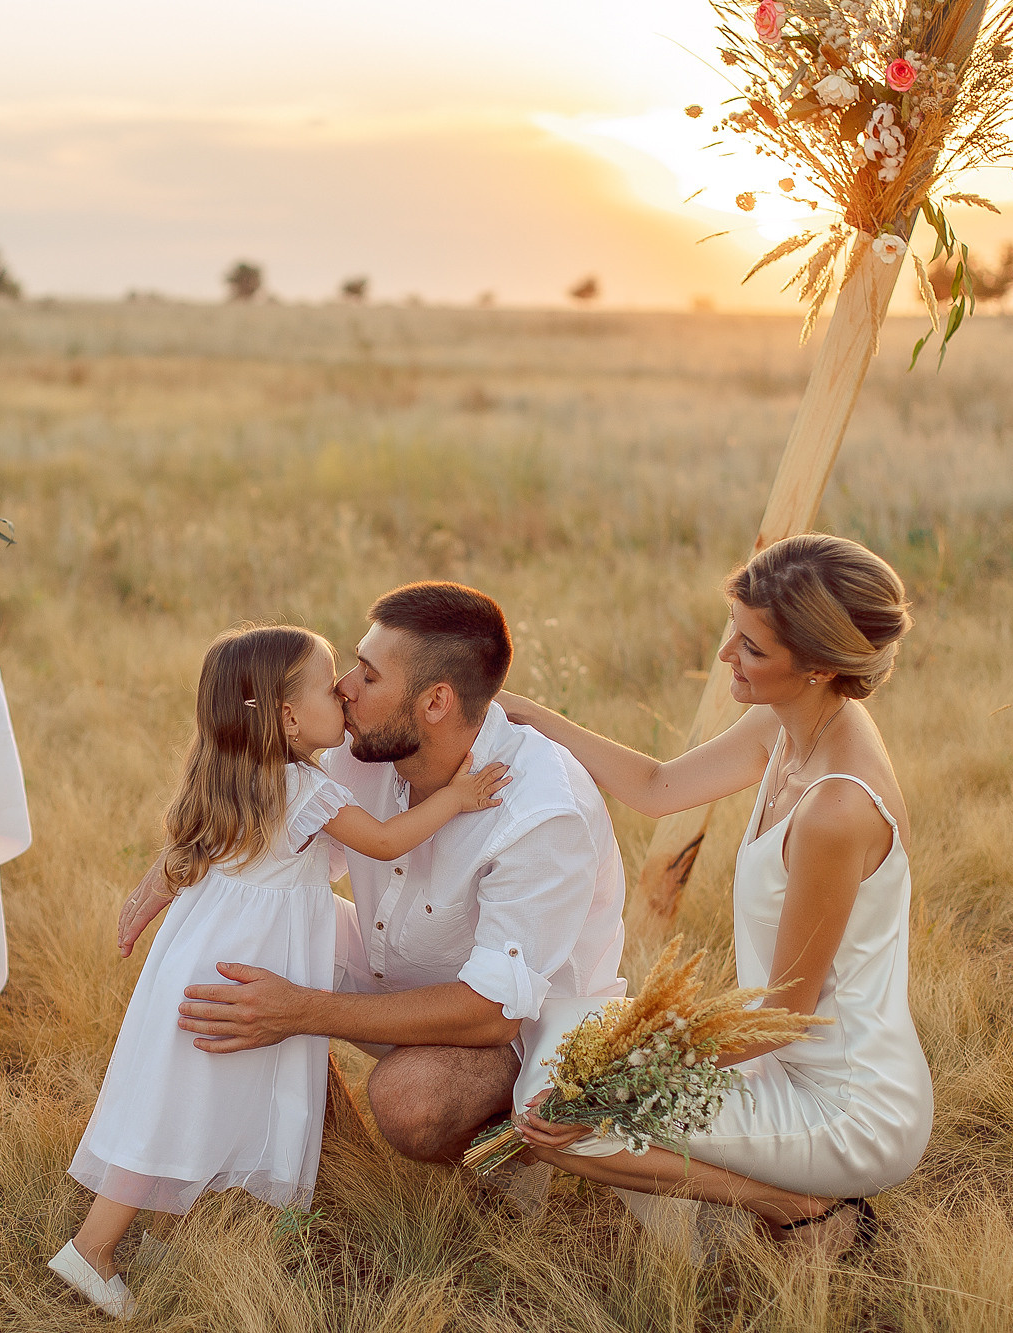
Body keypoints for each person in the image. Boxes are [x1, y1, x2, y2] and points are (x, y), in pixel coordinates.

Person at [52, 624, 509, 1319]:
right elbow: (386, 841)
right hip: (244, 971)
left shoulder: (233, 775)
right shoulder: (303, 789)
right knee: (182, 1106)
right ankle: (91, 1248)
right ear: (290, 718)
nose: (343, 694)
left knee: (194, 1100)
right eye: (329, 686)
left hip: (203, 961)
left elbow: (189, 861)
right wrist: (458, 798)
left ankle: (161, 1238)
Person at [499, 533, 930, 1254]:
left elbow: (781, 1020)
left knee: (570, 1123)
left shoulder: (836, 809)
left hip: (847, 1106)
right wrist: (525, 713)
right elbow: (657, 787)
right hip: (781, 1064)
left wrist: (612, 1083)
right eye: (734, 628)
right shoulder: (788, 722)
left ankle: (802, 1207)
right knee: (556, 1048)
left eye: (752, 647)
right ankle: (776, 1189)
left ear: (820, 666)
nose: (727, 653)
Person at [118, 581, 627, 1169]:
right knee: (234, 933)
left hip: (523, 1031)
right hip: (407, 965)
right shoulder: (363, 749)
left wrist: (300, 1010)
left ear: (435, 703)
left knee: (409, 1099)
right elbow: (272, 854)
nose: (344, 687)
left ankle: (513, 1167)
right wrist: (179, 868)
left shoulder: (541, 811)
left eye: (369, 674)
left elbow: (495, 1011)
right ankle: (290, 1142)